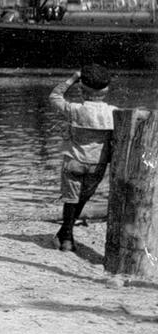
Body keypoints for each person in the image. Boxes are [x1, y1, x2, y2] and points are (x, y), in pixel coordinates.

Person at [48, 64, 116, 251]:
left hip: (74, 160)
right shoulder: (114, 112)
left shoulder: (75, 109)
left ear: (81, 90)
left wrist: (72, 78)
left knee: (71, 199)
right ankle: (65, 237)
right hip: (98, 164)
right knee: (82, 199)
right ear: (106, 90)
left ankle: (66, 237)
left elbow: (54, 96)